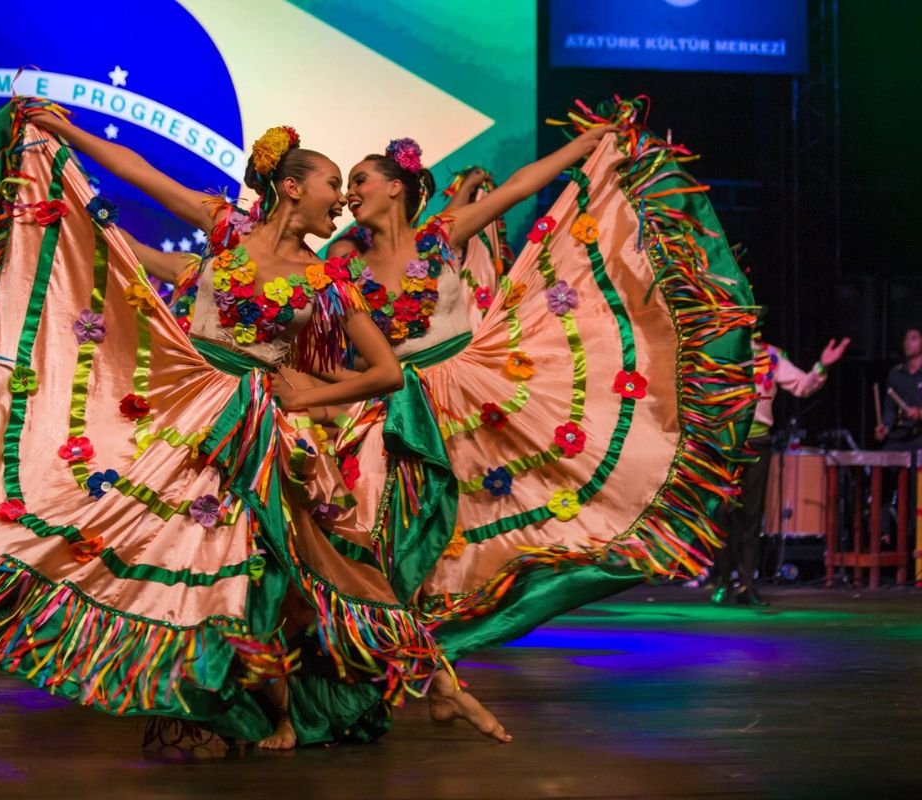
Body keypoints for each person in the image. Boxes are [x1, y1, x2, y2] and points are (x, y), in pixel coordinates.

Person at [0, 98, 458, 752]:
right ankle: (200, 697)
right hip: (193, 414)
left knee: (271, 561)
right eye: (332, 184)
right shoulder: (226, 230)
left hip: (260, 428)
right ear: (290, 187)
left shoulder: (326, 279)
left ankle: (292, 697)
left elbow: (387, 373)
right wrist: (65, 131)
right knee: (175, 547)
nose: (340, 201)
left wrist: (309, 395)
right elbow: (143, 174)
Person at [284, 97, 758, 730]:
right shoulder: (343, 266)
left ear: (396, 189)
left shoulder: (440, 235)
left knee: (479, 530)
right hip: (395, 408)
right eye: (344, 188)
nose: (349, 197)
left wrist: (585, 145)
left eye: (360, 183)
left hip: (470, 398)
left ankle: (431, 673)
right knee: (384, 541)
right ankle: (418, 676)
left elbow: (520, 186)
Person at [712, 333, 850, 606]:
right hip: (724, 443)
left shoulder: (770, 356)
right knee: (721, 513)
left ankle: (747, 584)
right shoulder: (719, 351)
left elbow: (801, 385)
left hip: (757, 442)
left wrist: (821, 366)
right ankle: (723, 581)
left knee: (751, 515)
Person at [874, 328, 922, 452]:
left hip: (920, 436)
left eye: (913, 338)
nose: (907, 343)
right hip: (901, 435)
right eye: (906, 339)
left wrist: (920, 413)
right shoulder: (896, 373)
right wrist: (885, 428)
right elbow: (890, 410)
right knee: (883, 459)